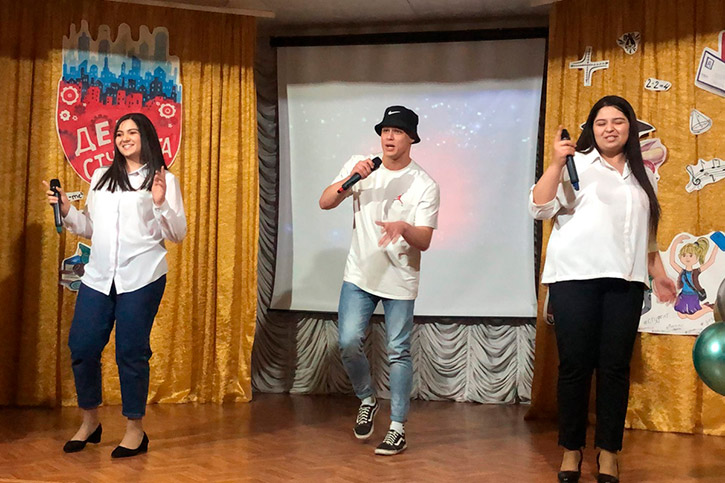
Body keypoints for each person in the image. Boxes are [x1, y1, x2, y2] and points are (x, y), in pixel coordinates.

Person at [529, 96, 677, 482]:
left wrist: (659, 273)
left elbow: (646, 236)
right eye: (601, 122)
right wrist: (556, 163)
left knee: (614, 368)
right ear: (591, 129)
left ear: (631, 127)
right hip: (574, 278)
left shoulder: (642, 175)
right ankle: (571, 450)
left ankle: (608, 452)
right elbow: (538, 208)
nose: (610, 128)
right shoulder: (575, 163)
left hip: (625, 282)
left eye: (618, 121)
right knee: (575, 366)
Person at [43, 112, 186, 458]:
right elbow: (91, 228)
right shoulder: (101, 176)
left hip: (142, 275)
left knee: (131, 352)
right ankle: (90, 423)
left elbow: (177, 233)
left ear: (146, 136)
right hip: (98, 276)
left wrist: (160, 203)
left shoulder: (163, 179)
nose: (124, 138)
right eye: (119, 133)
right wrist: (67, 209)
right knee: (82, 346)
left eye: (132, 132)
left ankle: (135, 430)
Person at [319, 105, 440, 456]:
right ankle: (367, 399)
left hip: (400, 278)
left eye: (397, 131)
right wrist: (349, 179)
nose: (389, 136)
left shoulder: (424, 184)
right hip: (359, 274)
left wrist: (404, 228)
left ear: (411, 138)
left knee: (398, 351)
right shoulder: (362, 168)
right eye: (385, 130)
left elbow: (425, 240)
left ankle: (397, 428)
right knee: (347, 341)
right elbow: (325, 202)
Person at [669, 234, 717, 319]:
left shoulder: (696, 272)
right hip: (683, 296)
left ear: (697, 257)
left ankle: (709, 309)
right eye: (684, 255)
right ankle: (705, 307)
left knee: (692, 317)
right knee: (681, 315)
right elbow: (672, 262)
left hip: (692, 296)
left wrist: (716, 245)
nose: (687, 258)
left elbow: (710, 261)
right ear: (680, 257)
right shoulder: (682, 271)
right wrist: (675, 242)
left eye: (691, 255)